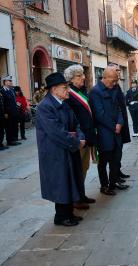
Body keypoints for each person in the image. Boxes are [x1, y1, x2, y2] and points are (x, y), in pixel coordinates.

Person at [36, 72, 85, 226]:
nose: (68, 91)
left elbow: (76, 123)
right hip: (55, 152)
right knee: (61, 183)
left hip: (68, 149)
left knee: (70, 181)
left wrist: (80, 137)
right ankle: (61, 216)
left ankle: (68, 213)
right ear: (54, 89)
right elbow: (56, 132)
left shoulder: (64, 103)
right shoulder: (45, 107)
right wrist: (76, 142)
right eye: (65, 88)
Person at [89, 68, 129, 196]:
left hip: (116, 130)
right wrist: (114, 126)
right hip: (104, 132)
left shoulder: (114, 88)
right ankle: (104, 185)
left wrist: (120, 122)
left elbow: (118, 108)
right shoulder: (95, 92)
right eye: (113, 80)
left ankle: (113, 183)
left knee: (116, 159)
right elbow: (99, 115)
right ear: (104, 77)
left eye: (116, 81)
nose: (115, 83)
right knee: (104, 161)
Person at [64, 64, 97, 209]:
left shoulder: (81, 90)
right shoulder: (68, 94)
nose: (83, 77)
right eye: (79, 75)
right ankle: (76, 199)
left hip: (87, 136)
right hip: (78, 138)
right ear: (70, 79)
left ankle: (81, 194)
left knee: (84, 167)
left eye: (82, 74)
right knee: (77, 169)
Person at [108, 63, 131, 180]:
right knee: (114, 152)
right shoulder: (109, 86)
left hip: (121, 121)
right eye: (116, 70)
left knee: (119, 150)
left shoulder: (117, 85)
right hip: (114, 124)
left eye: (118, 70)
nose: (118, 72)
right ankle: (114, 175)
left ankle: (118, 170)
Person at [0, 76, 20, 146]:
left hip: (14, 111)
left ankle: (13, 139)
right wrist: (5, 112)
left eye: (11, 81)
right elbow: (3, 103)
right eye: (9, 81)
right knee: (8, 127)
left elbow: (13, 101)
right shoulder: (2, 91)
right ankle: (9, 141)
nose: (11, 82)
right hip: (8, 112)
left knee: (14, 126)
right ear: (5, 82)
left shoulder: (12, 90)